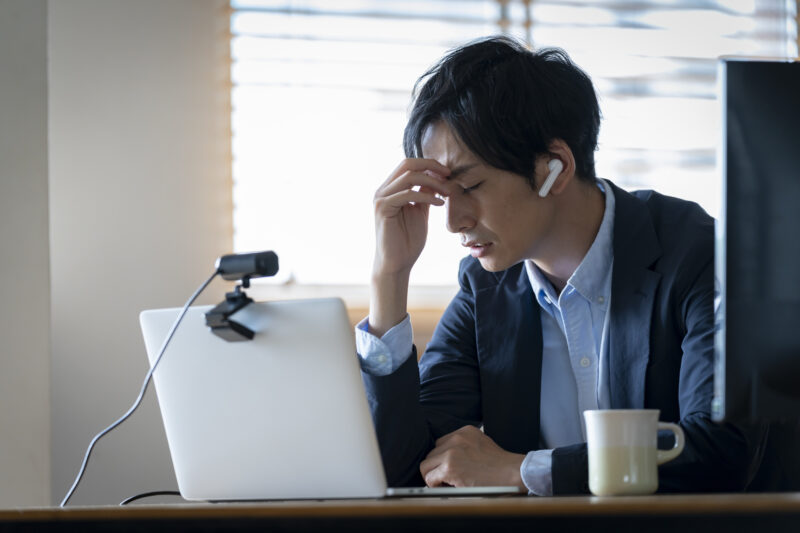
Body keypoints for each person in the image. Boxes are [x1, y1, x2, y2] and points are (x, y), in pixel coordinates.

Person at [355, 36, 764, 495]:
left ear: (556, 167)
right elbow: (405, 470)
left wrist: (523, 470)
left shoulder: (697, 253)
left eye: (469, 187)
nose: (453, 222)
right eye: (443, 197)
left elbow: (720, 452)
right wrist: (389, 278)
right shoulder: (483, 288)